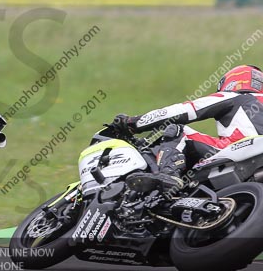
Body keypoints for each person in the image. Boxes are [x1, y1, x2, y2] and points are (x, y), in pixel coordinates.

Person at [111, 64, 263, 192]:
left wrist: (133, 123)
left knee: (178, 130)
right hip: (253, 164)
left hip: (239, 151)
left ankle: (169, 175)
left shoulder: (235, 97)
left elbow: (183, 111)